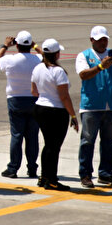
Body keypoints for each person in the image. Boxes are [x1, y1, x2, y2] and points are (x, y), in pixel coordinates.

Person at [76, 25, 112, 188]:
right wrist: (101, 66)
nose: (103, 43)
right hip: (92, 106)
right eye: (100, 40)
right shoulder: (84, 55)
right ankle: (85, 174)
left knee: (109, 141)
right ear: (92, 40)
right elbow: (83, 75)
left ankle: (106, 173)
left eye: (105, 40)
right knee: (87, 141)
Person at [31, 38, 79, 191]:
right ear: (57, 54)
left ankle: (44, 176)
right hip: (56, 111)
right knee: (54, 147)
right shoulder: (58, 72)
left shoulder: (37, 68)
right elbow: (64, 96)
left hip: (40, 108)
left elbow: (34, 91)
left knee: (48, 145)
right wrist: (73, 116)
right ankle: (51, 179)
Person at [0, 30, 41, 179]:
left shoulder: (11, 59)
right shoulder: (38, 59)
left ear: (17, 45)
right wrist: (35, 45)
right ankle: (32, 168)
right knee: (32, 136)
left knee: (17, 135)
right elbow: (47, 56)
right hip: (34, 100)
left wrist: (5, 45)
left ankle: (13, 168)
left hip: (15, 100)